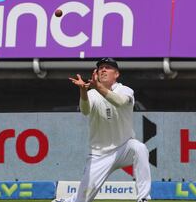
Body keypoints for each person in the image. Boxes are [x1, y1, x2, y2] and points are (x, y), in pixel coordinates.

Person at [54, 58, 151, 202]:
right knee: (81, 200)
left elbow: (119, 102)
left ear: (116, 74)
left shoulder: (125, 90)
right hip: (99, 155)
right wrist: (83, 91)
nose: (103, 70)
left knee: (140, 148)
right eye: (100, 68)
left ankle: (143, 198)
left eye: (107, 67)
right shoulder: (92, 94)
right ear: (97, 73)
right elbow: (85, 111)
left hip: (124, 147)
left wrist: (98, 87)